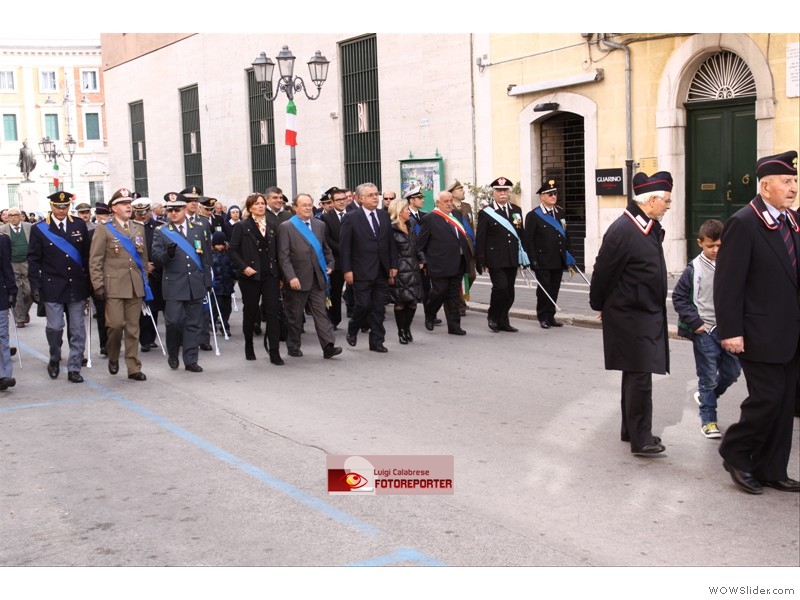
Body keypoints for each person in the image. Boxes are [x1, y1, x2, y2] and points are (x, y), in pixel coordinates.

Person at [714, 150, 799, 494]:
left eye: (795, 181)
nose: (793, 188)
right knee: (767, 399)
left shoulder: (791, 221)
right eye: (786, 181)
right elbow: (728, 283)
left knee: (785, 404)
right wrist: (731, 331)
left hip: (791, 332)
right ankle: (735, 452)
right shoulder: (744, 223)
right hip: (759, 332)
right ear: (765, 187)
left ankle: (771, 469)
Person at [589, 171, 672, 456]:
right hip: (631, 313)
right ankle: (642, 439)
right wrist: (599, 304)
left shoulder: (646, 226)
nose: (668, 206)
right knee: (640, 376)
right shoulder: (624, 229)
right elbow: (603, 272)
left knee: (635, 372)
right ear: (651, 200)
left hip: (643, 311)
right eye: (666, 200)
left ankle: (631, 430)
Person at [673, 219, 741, 439]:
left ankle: (705, 397)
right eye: (710, 245)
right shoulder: (694, 269)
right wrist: (696, 323)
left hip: (729, 330)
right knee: (708, 377)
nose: (715, 250)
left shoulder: (732, 264)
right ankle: (709, 420)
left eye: (719, 245)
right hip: (705, 331)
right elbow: (679, 297)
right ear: (700, 243)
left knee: (732, 372)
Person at [27, 191, 92, 383]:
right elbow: (34, 260)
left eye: (65, 206)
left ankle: (74, 367)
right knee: (55, 328)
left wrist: (90, 283)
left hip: (76, 285)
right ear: (51, 207)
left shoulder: (79, 225)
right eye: (58, 207)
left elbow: (87, 256)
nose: (62, 210)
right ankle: (54, 357)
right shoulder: (40, 228)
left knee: (77, 330)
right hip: (52, 285)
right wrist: (35, 286)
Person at [89, 188, 150, 381]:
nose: (128, 207)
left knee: (133, 328)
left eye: (129, 203)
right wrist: (98, 284)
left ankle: (133, 367)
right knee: (115, 326)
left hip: (135, 285)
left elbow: (143, 257)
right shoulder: (104, 228)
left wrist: (145, 283)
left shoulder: (138, 228)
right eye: (124, 204)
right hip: (114, 286)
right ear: (114, 208)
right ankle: (113, 355)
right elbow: (95, 259)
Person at [152, 194, 212, 372]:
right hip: (174, 285)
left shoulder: (198, 228)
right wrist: (167, 254)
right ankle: (173, 353)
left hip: (195, 283)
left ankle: (190, 359)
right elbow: (156, 258)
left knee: (194, 324)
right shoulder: (161, 231)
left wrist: (208, 280)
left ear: (185, 210)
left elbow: (206, 257)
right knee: (173, 322)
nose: (173, 213)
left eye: (177, 209)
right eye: (169, 210)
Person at [277, 193, 342, 359]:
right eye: (303, 205)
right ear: (295, 208)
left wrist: (330, 265)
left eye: (309, 205)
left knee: (321, 313)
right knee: (295, 315)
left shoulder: (319, 225)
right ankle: (293, 346)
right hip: (297, 279)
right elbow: (283, 256)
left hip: (317, 278)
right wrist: (290, 277)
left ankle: (328, 346)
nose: (307, 208)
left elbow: (326, 249)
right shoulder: (286, 227)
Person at [340, 182, 398, 353]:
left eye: (376, 194)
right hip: (361, 271)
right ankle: (353, 327)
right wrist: (347, 270)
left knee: (379, 308)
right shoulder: (351, 218)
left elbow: (390, 243)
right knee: (363, 305)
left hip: (381, 269)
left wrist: (393, 265)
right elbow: (345, 247)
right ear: (360, 199)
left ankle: (377, 341)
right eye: (370, 195)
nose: (375, 198)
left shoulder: (383, 216)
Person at [228, 193, 284, 365]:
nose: (260, 206)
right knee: (251, 311)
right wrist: (244, 267)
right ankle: (249, 345)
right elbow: (232, 250)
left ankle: (274, 351)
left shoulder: (272, 226)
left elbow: (278, 252)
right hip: (250, 276)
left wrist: (281, 276)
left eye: (262, 203)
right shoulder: (242, 226)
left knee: (273, 312)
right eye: (257, 203)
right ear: (250, 207)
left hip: (270, 275)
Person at [418, 191, 472, 336]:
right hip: (439, 263)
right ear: (438, 203)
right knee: (439, 292)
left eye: (450, 200)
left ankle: (454, 326)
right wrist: (423, 261)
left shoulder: (457, 215)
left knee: (454, 296)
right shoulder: (430, 218)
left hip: (458, 262)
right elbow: (421, 244)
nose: (449, 204)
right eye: (445, 201)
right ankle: (430, 313)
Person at [475, 176, 525, 333]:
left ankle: (503, 320)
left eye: (505, 190)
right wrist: (481, 260)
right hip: (495, 258)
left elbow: (521, 234)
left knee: (510, 293)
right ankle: (493, 317)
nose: (502, 193)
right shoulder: (486, 212)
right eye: (499, 190)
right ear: (494, 193)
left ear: (509, 192)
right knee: (500, 288)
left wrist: (525, 256)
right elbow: (481, 237)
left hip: (512, 257)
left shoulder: (516, 210)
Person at [524, 178, 575, 329]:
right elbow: (528, 240)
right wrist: (532, 260)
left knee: (554, 288)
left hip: (558, 258)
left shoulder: (560, 212)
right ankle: (543, 316)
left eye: (555, 193)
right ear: (542, 197)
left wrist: (569, 254)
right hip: (542, 259)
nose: (554, 196)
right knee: (544, 289)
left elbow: (565, 235)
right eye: (550, 194)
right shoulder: (533, 215)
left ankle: (551, 316)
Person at [386, 198, 424, 344]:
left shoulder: (411, 224)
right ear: (399, 212)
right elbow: (388, 251)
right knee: (401, 302)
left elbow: (417, 245)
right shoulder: (390, 228)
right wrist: (390, 270)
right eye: (407, 209)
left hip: (413, 268)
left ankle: (407, 328)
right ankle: (401, 330)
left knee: (413, 301)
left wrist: (422, 260)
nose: (409, 211)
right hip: (399, 269)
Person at [132, 197, 161, 354]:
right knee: (140, 307)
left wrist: (152, 264)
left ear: (149, 212)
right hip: (137, 271)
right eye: (139, 213)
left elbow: (159, 248)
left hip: (154, 272)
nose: (142, 216)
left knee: (153, 305)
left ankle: (151, 337)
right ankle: (144, 339)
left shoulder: (157, 227)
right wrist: (143, 265)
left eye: (144, 213)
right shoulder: (131, 227)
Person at [320, 187, 348, 329]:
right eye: (338, 200)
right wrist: (344, 249)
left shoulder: (353, 214)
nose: (342, 202)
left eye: (344, 199)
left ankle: (362, 320)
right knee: (335, 292)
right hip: (337, 260)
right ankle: (334, 320)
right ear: (332, 202)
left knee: (358, 292)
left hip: (355, 260)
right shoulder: (326, 217)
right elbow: (327, 239)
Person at [447, 180, 476, 317]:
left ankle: (460, 298)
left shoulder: (467, 207)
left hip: (469, 247)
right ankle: (460, 304)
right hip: (457, 248)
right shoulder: (448, 207)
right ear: (453, 194)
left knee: (471, 275)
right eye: (460, 190)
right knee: (457, 278)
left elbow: (471, 226)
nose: (463, 191)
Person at [0, 207, 33, 328]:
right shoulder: (3, 230)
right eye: (10, 215)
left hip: (27, 263)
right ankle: (20, 318)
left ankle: (24, 312)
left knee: (29, 291)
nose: (13, 218)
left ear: (20, 216)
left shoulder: (29, 227)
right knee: (17, 291)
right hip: (12, 263)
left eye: (15, 215)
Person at [0, 230, 17, 391]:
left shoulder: (2, 240)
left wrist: (12, 291)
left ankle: (4, 375)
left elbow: (7, 267)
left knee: (2, 335)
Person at [210, 231, 235, 335]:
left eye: (222, 244)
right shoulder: (210, 256)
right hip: (216, 286)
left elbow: (232, 268)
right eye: (218, 245)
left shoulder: (228, 254)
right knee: (216, 306)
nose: (220, 247)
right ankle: (212, 321)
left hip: (227, 285)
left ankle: (225, 325)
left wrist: (234, 276)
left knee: (227, 308)